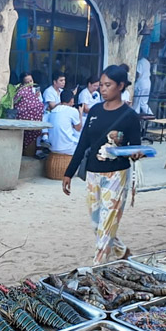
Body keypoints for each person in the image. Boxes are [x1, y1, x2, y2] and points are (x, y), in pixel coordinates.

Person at [62, 65, 144, 264]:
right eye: (102, 85)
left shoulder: (130, 116)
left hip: (117, 175)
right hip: (92, 173)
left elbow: (135, 148)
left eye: (108, 85)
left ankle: (97, 267)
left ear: (120, 86)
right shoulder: (96, 110)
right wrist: (68, 173)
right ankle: (121, 251)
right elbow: (83, 143)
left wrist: (136, 154)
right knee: (97, 222)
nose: (103, 89)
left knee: (107, 224)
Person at [46, 89, 83, 155]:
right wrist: (80, 113)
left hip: (52, 146)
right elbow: (78, 128)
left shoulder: (54, 110)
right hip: (67, 148)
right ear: (72, 100)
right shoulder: (72, 110)